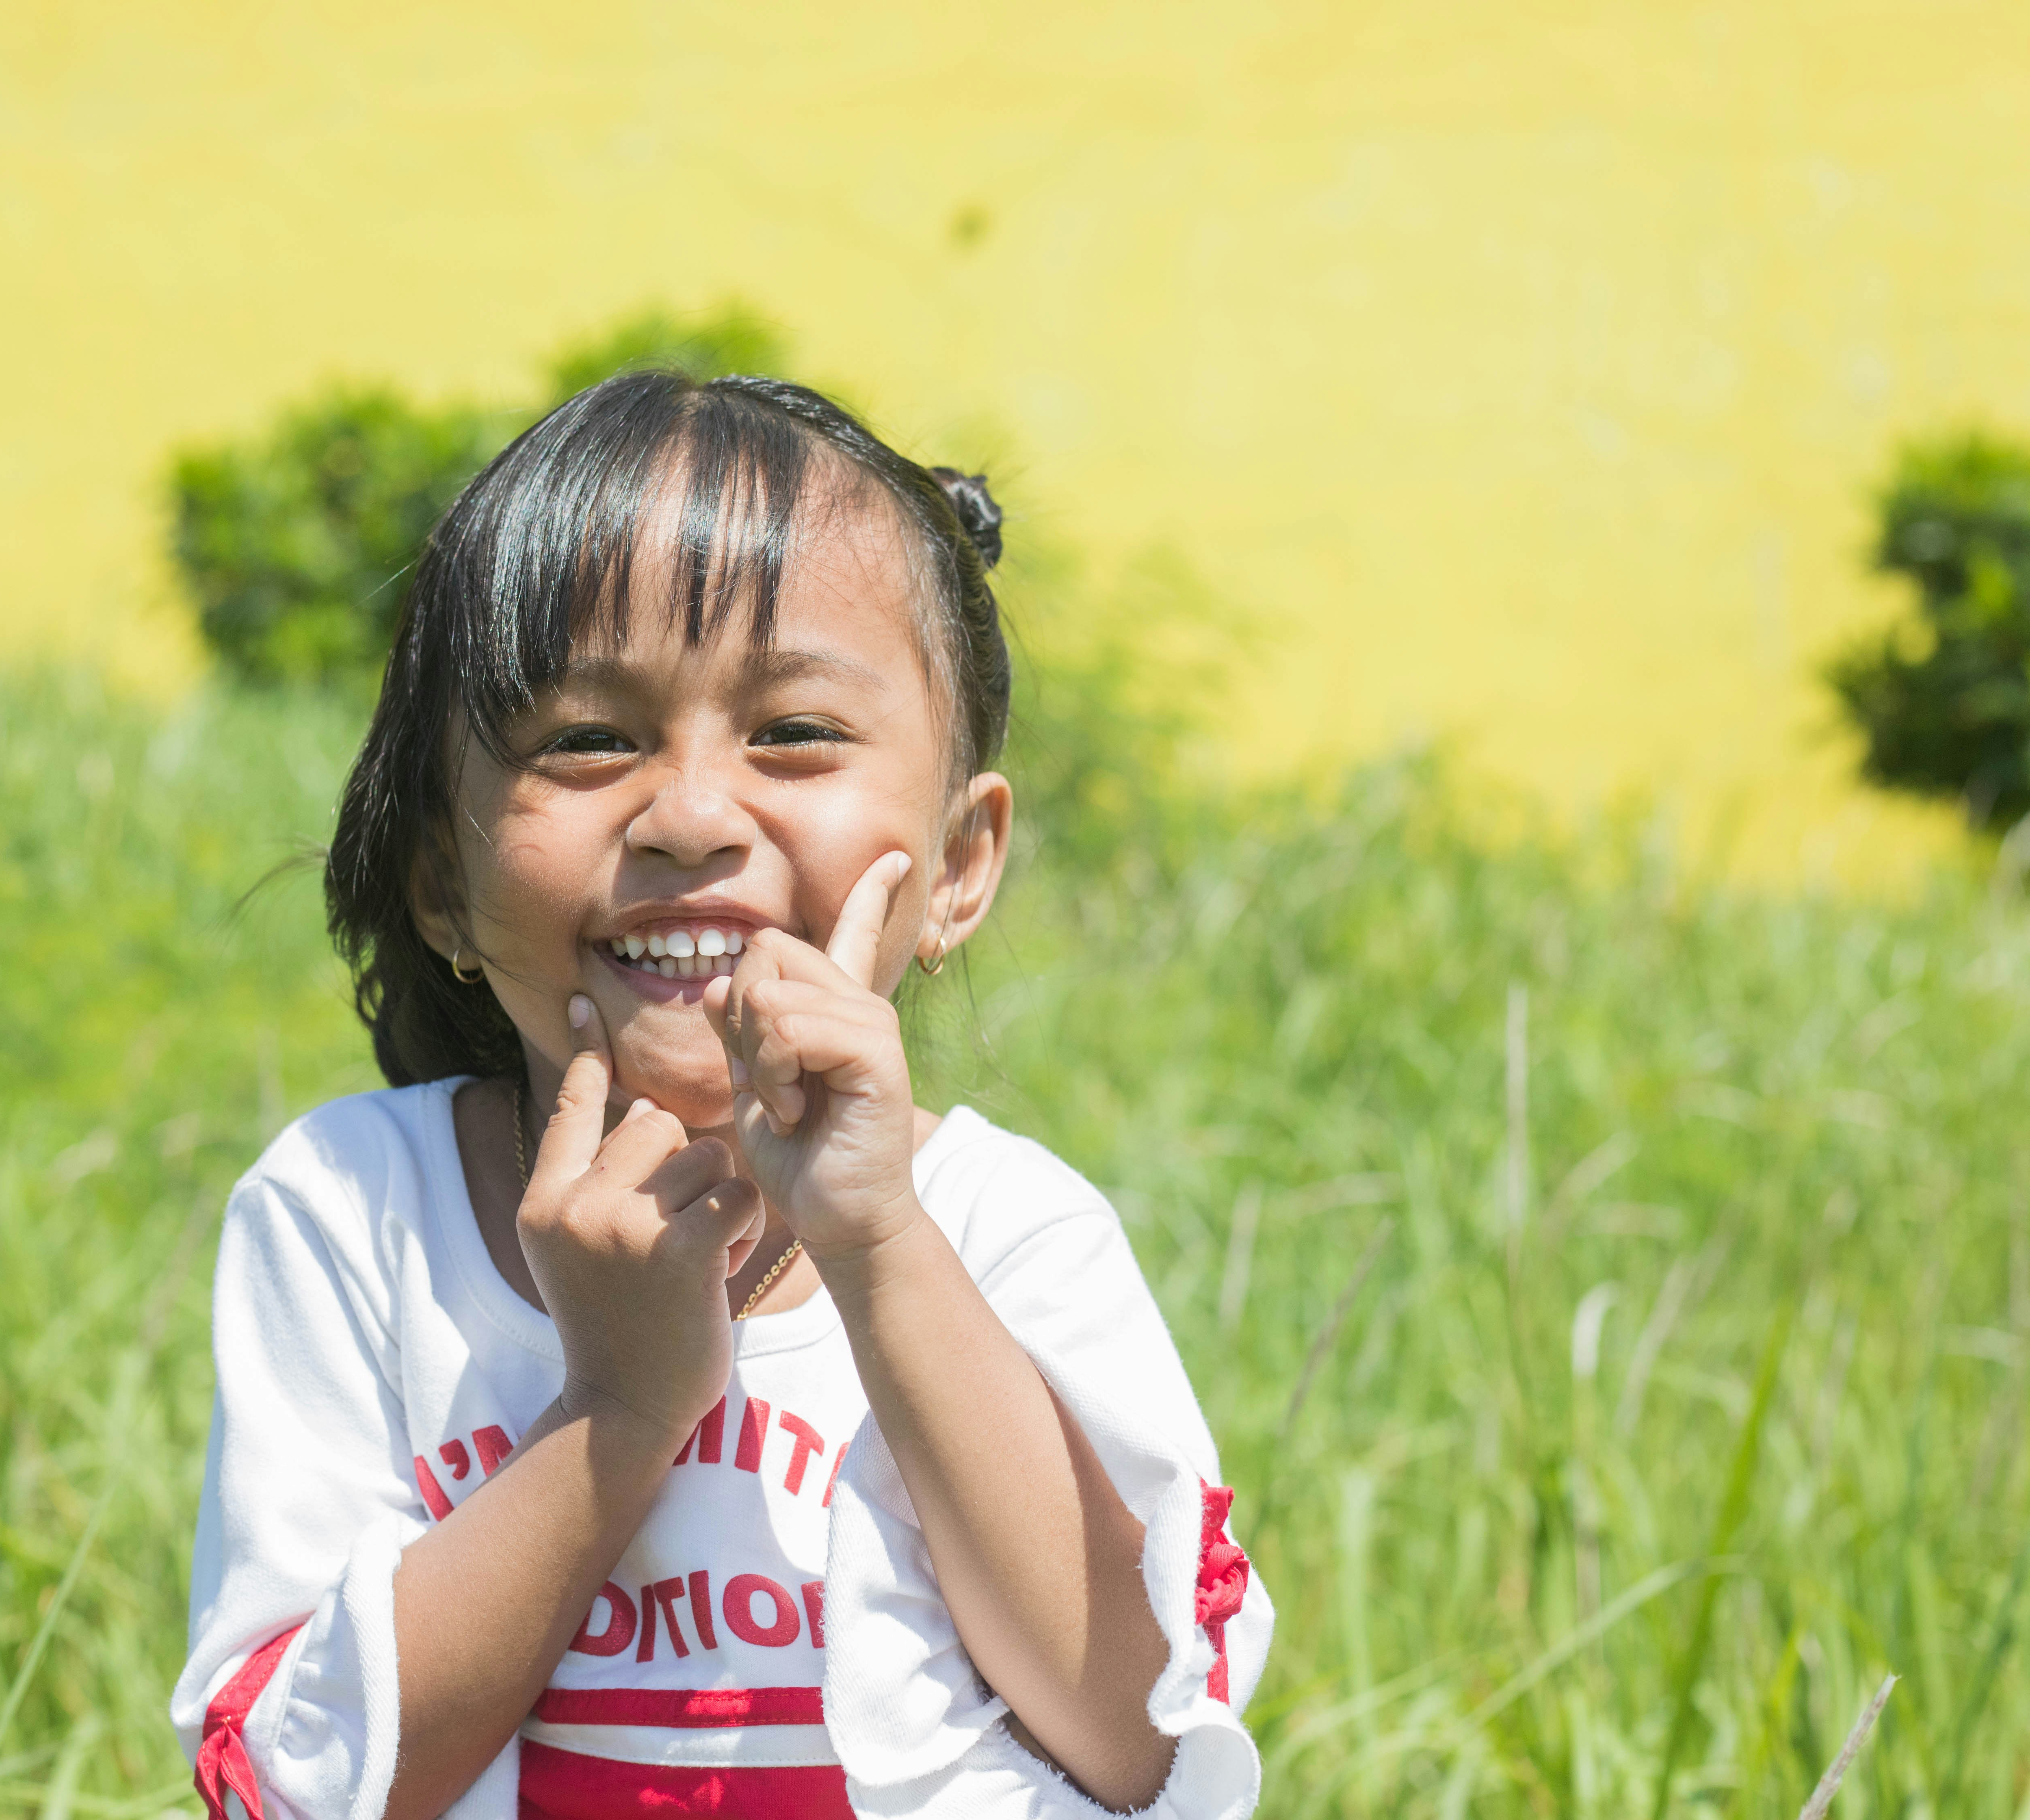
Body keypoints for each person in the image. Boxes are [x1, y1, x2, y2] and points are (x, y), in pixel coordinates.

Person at [169, 370, 1270, 1820]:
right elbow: (296, 1786)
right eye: (588, 739)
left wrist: (878, 1246)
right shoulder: (357, 1218)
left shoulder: (1010, 1234)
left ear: (956, 866)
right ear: (442, 876)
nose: (691, 817)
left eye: (795, 732)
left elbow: (1145, 1747)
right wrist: (622, 1406)